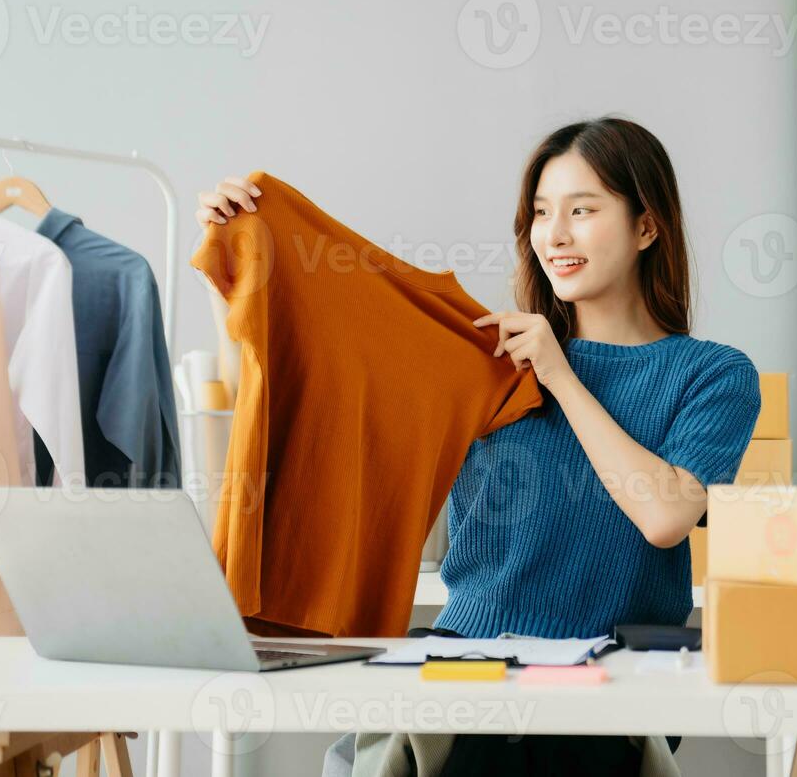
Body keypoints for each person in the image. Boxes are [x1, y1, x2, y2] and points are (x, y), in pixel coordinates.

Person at [196, 116, 762, 775]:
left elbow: (665, 516)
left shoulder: (713, 374)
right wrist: (239, 273)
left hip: (612, 684)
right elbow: (298, 388)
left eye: (583, 210)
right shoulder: (488, 358)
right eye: (542, 213)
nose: (556, 235)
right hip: (467, 663)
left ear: (646, 226)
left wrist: (561, 377)